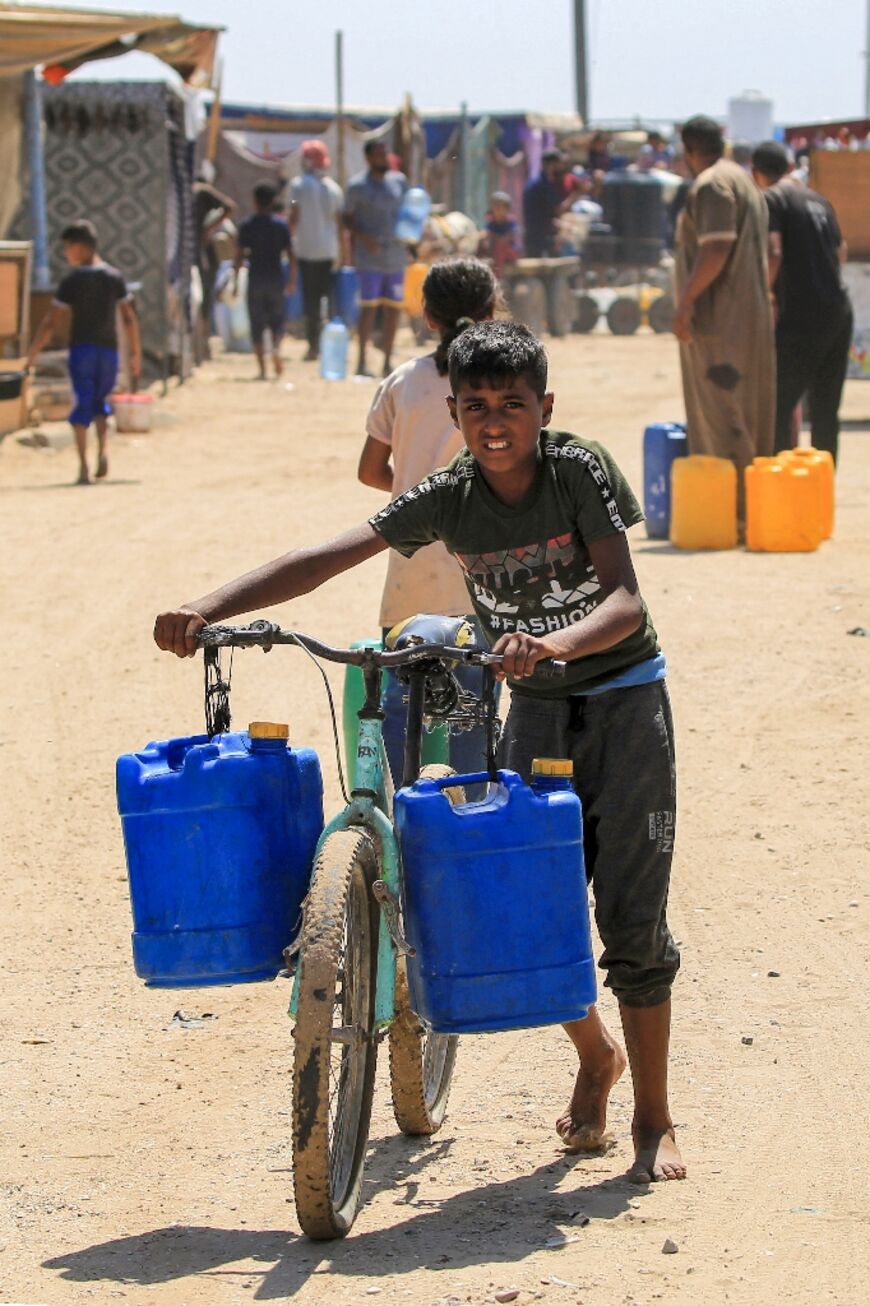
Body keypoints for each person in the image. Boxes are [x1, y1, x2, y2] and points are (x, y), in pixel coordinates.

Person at [154, 320, 685, 1184]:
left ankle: (654, 1121)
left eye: (513, 404)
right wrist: (208, 607)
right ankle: (597, 1058)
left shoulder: (576, 468)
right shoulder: (450, 493)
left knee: (631, 913)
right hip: (538, 712)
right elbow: (330, 555)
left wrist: (551, 645)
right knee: (530, 900)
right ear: (455, 412)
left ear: (543, 408)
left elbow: (624, 600)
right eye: (476, 407)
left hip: (625, 702)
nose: (495, 421)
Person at [357, 257, 499, 784]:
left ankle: (403, 820)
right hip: (480, 574)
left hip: (410, 570)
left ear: (428, 317)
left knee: (399, 708)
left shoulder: (402, 382)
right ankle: (470, 822)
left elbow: (372, 470)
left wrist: (414, 493)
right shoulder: (502, 388)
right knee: (475, 715)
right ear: (490, 314)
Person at [673, 115, 774, 513]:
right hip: (746, 317)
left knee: (721, 414)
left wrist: (685, 303)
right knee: (747, 412)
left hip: (719, 322)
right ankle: (752, 507)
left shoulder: (713, 183)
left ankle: (732, 511)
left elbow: (716, 249)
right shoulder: (742, 178)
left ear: (689, 151)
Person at [751, 140, 852, 464]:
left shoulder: (771, 198)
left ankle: (781, 487)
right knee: (825, 410)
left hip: (801, 316)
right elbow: (841, 253)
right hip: (838, 310)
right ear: (790, 167)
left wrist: (764, 296)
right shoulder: (819, 200)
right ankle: (821, 488)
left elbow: (774, 252)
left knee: (779, 406)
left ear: (756, 173)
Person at [26, 220, 140, 485]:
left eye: (68, 248)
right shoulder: (113, 277)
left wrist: (32, 354)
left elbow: (50, 322)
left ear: (79, 248)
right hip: (109, 352)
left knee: (81, 406)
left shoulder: (72, 281)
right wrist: (134, 353)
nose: (67, 254)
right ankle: (103, 451)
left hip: (82, 351)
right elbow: (129, 318)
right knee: (101, 402)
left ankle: (83, 467)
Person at [343, 141, 408, 377]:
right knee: (368, 309)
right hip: (369, 258)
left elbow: (408, 213)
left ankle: (387, 362)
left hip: (396, 256)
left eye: (386, 153)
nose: (384, 158)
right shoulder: (357, 186)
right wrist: (363, 237)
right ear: (369, 157)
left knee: (393, 310)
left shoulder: (399, 182)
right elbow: (346, 218)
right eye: (379, 154)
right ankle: (361, 361)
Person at [289, 140, 344, 362]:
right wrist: (344, 252)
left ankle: (314, 347)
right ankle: (328, 345)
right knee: (328, 300)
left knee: (311, 301)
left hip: (306, 251)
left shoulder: (297, 186)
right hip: (329, 252)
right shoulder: (334, 189)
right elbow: (339, 224)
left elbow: (294, 216)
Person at [234, 182, 296, 380]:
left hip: (255, 280)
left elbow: (239, 256)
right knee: (277, 321)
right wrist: (292, 280)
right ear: (273, 202)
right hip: (276, 278)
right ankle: (276, 348)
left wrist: (235, 281)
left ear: (255, 202)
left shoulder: (247, 225)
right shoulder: (281, 225)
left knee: (257, 324)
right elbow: (292, 255)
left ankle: (262, 369)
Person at [192, 172, 235, 362]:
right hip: (195, 253)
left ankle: (202, 346)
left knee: (202, 297)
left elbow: (229, 207)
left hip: (198, 253)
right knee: (201, 298)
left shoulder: (201, 192)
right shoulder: (200, 192)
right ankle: (201, 346)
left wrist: (208, 230)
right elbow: (229, 207)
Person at [522, 150, 572, 257]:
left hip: (533, 235)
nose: (562, 168)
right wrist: (577, 194)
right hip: (542, 238)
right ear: (551, 165)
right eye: (559, 164)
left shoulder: (535, 182)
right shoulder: (543, 185)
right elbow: (558, 209)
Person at [478, 192, 520, 278]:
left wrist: (492, 236)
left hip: (511, 251)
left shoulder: (511, 221)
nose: (497, 209)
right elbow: (485, 234)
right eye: (495, 207)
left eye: (500, 207)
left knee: (500, 247)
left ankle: (498, 278)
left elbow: (508, 238)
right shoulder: (491, 221)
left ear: (506, 209)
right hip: (494, 251)